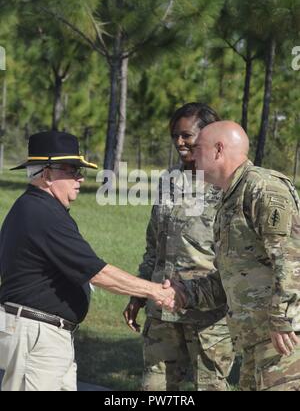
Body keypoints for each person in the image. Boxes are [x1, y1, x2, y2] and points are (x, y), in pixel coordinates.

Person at [0, 130, 178, 392]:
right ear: (47, 175)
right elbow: (97, 272)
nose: (80, 178)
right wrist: (156, 292)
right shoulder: (41, 214)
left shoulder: (38, 208)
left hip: (44, 336)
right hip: (36, 337)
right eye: (71, 170)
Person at [172, 120, 300, 391]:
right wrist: (185, 292)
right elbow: (235, 276)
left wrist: (283, 320)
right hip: (257, 344)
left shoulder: (262, 188)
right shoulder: (230, 197)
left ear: (218, 150)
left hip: (283, 343)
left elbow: (291, 259)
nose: (192, 155)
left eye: (198, 148)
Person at [123, 103, 234, 391]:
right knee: (154, 389)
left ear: (209, 136)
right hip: (162, 313)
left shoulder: (227, 186)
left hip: (208, 318)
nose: (179, 142)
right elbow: (153, 245)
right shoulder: (168, 180)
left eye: (186, 135)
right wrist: (139, 293)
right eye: (175, 135)